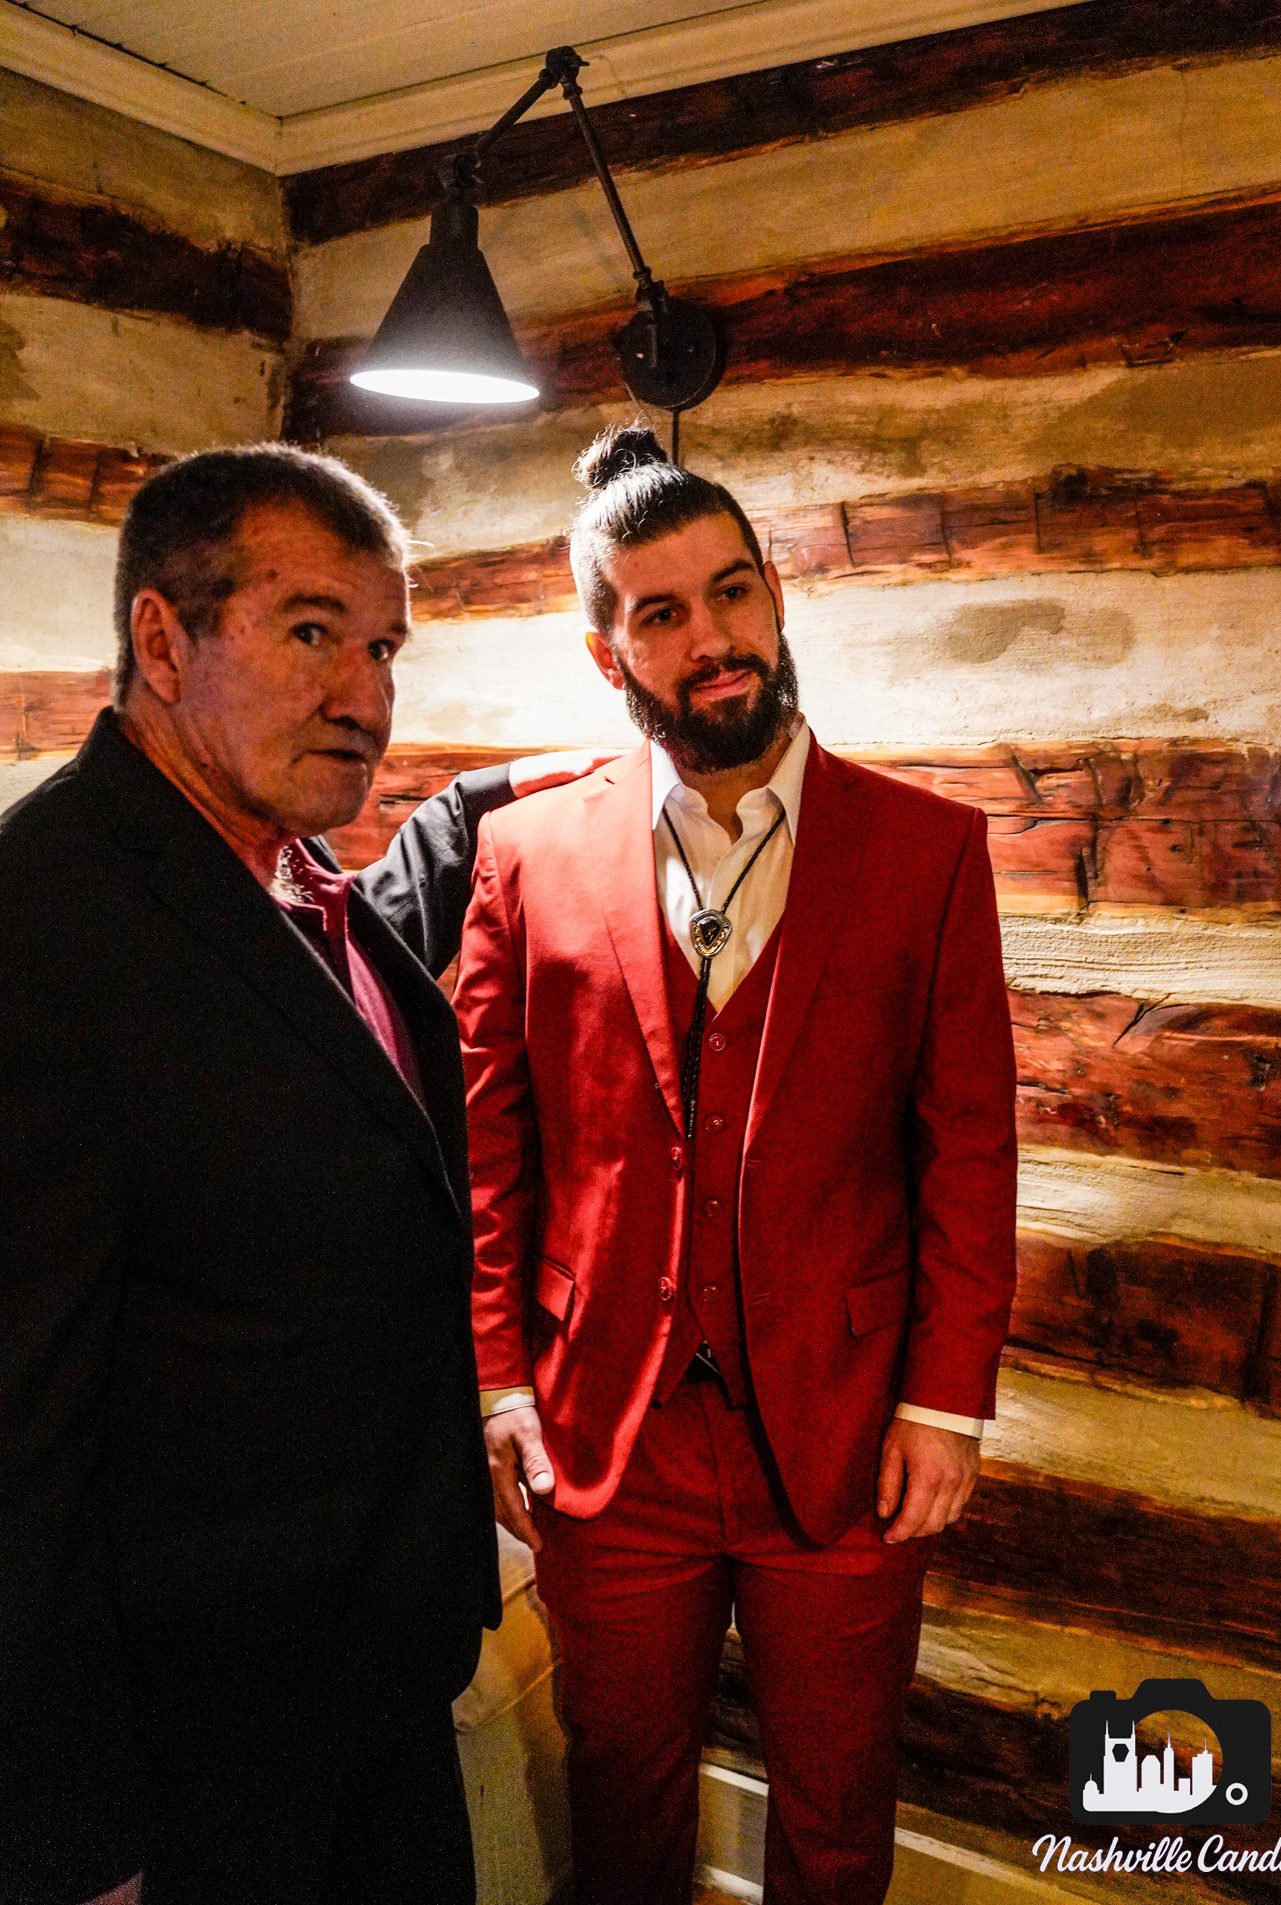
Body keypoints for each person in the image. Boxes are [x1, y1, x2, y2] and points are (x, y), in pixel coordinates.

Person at [387, 424, 1019, 1904]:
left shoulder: (926, 851)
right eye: (661, 612)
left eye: (732, 592)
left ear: (776, 598)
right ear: (607, 652)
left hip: (851, 1425)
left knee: (836, 1807)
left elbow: (969, 1145)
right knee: (622, 1793)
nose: (711, 637)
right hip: (608, 1434)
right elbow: (492, 1148)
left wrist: (945, 1400)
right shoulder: (525, 855)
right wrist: (497, 1382)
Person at [0, 444, 593, 1905]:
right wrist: (74, 1831)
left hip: (370, 1675)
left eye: (382, 646)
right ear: (162, 642)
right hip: (194, 1738)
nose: (364, 696)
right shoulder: (45, 920)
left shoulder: (302, 880)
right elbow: (18, 1430)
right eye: (311, 630)